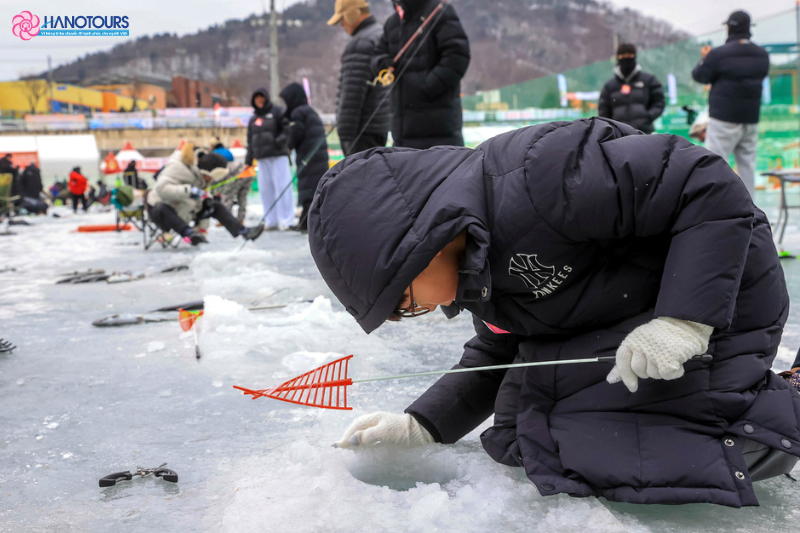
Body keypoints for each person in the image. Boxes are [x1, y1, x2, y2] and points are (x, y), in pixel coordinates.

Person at [308, 117, 800, 507]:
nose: (419, 310)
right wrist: (422, 424)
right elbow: (499, 348)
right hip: (619, 311)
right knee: (533, 433)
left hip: (722, 282)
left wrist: (684, 320)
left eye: (404, 302)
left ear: (416, 248)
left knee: (668, 448)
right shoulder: (472, 266)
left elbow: (706, 183)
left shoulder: (539, 175)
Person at [691, 10, 769, 199]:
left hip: (723, 119)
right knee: (747, 167)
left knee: (715, 165)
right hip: (750, 119)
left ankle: (718, 210)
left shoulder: (718, 54)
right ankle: (751, 214)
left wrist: (704, 58)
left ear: (729, 28)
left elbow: (700, 75)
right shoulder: (761, 54)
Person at [373, 0, 470, 149]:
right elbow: (377, 57)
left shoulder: (440, 11)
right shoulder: (392, 23)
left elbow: (457, 56)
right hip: (402, 132)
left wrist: (427, 87)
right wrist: (385, 64)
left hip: (440, 130)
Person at [146, 142, 263, 245]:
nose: (209, 181)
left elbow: (200, 200)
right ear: (205, 172)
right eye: (209, 178)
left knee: (215, 205)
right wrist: (189, 191)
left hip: (185, 209)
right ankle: (189, 234)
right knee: (162, 208)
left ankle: (243, 231)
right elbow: (161, 189)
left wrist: (204, 207)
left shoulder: (202, 174)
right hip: (159, 211)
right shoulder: (178, 166)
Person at [328, 0, 391, 156]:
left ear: (351, 14)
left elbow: (352, 96)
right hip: (379, 127)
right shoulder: (381, 35)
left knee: (361, 178)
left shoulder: (361, 42)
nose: (342, 25)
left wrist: (345, 136)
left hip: (361, 133)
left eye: (342, 19)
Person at [279, 82, 330, 232]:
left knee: (308, 187)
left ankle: (307, 223)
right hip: (316, 156)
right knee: (313, 187)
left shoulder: (298, 113)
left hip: (309, 157)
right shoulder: (309, 111)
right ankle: (306, 221)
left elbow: (296, 134)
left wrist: (287, 145)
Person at [245, 88, 293, 230]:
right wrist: (248, 161)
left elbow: (287, 130)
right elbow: (250, 141)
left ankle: (286, 220)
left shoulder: (277, 112)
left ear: (266, 98)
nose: (259, 101)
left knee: (282, 186)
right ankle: (271, 220)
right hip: (262, 158)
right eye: (256, 98)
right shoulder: (253, 119)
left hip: (278, 156)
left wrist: (279, 142)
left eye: (261, 97)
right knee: (266, 189)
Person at [598, 43, 665, 134]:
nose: (626, 58)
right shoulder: (610, 86)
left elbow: (659, 102)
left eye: (629, 55)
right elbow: (603, 110)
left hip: (644, 133)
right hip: (619, 135)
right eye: (622, 55)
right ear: (618, 57)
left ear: (635, 56)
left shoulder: (649, 80)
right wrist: (612, 126)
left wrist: (647, 117)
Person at [212, 141, 252, 224]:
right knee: (242, 197)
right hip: (248, 172)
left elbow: (220, 176)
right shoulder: (227, 152)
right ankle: (241, 219)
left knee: (227, 196)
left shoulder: (214, 155)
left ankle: (226, 220)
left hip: (236, 174)